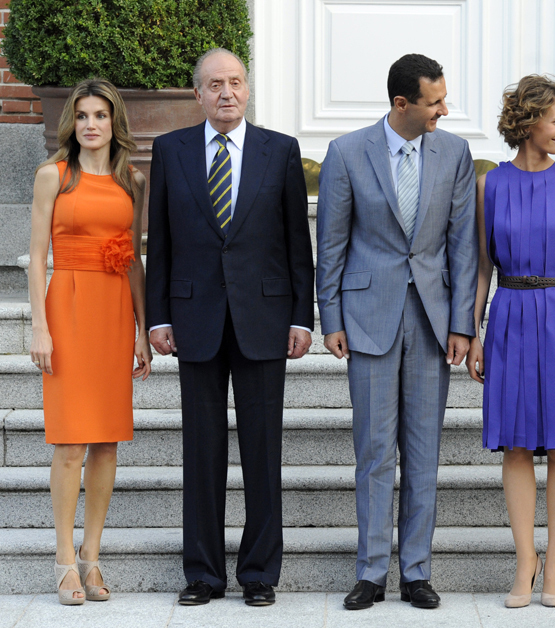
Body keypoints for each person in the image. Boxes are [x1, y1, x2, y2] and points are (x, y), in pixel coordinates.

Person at [146, 48, 315, 607]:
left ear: (248, 89)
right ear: (197, 94)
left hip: (264, 318)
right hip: (193, 318)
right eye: (215, 84)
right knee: (202, 450)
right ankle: (203, 574)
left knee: (263, 452)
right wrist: (159, 315)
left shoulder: (281, 151)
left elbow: (297, 243)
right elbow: (161, 240)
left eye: (236, 82)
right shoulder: (170, 151)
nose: (226, 92)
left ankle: (260, 574)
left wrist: (300, 316)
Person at [316, 53, 477, 611]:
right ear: (401, 104)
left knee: (423, 450)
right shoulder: (346, 152)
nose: (444, 109)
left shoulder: (455, 153)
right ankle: (370, 572)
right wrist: (330, 317)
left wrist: (464, 323)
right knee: (375, 451)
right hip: (366, 318)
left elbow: (463, 245)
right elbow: (331, 243)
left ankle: (416, 572)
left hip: (433, 320)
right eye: (435, 101)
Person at [465, 75, 555, 609]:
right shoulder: (491, 184)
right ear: (528, 122)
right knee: (518, 441)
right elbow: (483, 266)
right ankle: (525, 559)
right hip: (509, 313)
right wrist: (475, 332)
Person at [27, 78, 151, 605]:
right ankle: (62, 560)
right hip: (68, 308)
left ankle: (92, 556)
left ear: (113, 121)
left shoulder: (132, 180)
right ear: (71, 124)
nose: (92, 124)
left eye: (101, 115)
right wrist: (38, 326)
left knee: (106, 440)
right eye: (82, 116)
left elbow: (135, 259)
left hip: (114, 313)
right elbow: (35, 256)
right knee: (71, 441)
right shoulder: (52, 176)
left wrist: (144, 328)